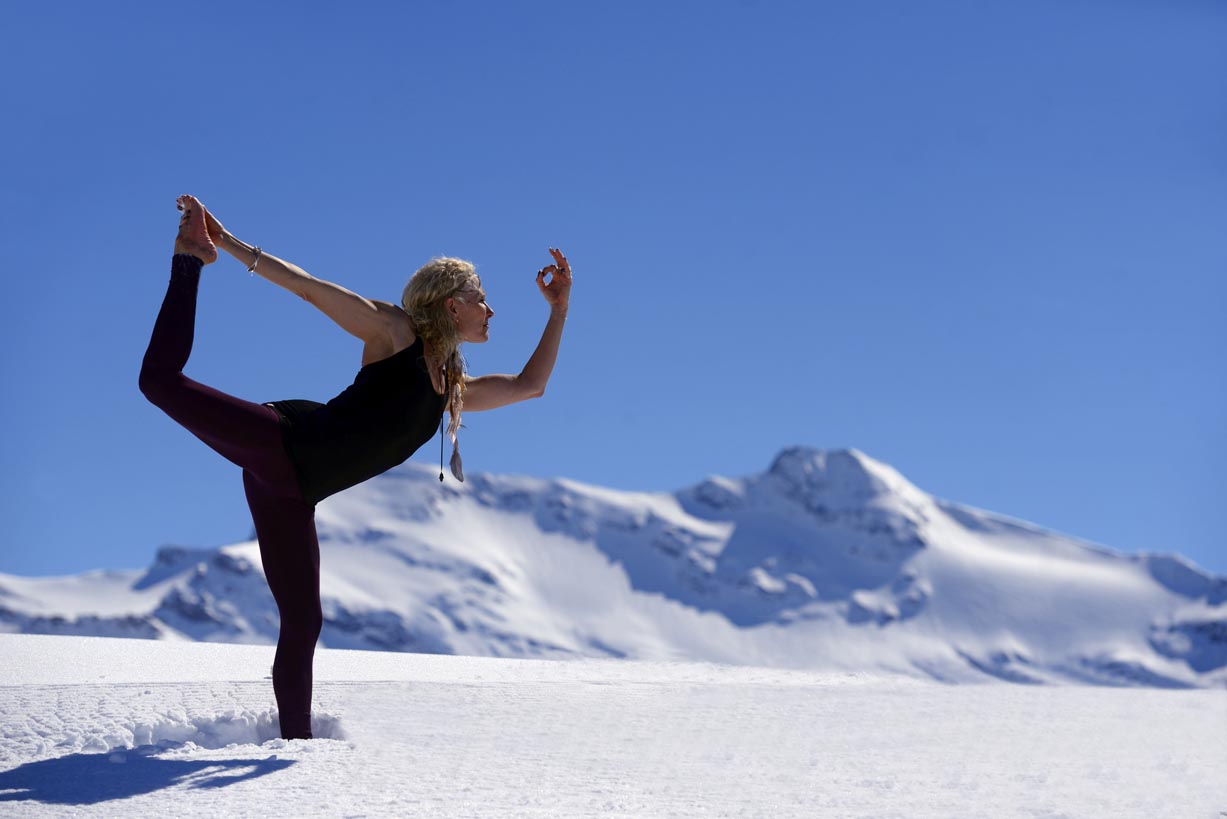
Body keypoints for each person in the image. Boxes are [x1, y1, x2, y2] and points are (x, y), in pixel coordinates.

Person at [139, 195, 571, 739]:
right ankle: (187, 258)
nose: (490, 310)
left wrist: (558, 310)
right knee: (159, 383)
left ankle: (297, 751)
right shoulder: (395, 333)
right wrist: (223, 243)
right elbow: (309, 287)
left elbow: (530, 386)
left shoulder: (449, 390)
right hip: (281, 443)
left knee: (304, 622)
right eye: (480, 299)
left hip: (294, 495)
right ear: (449, 304)